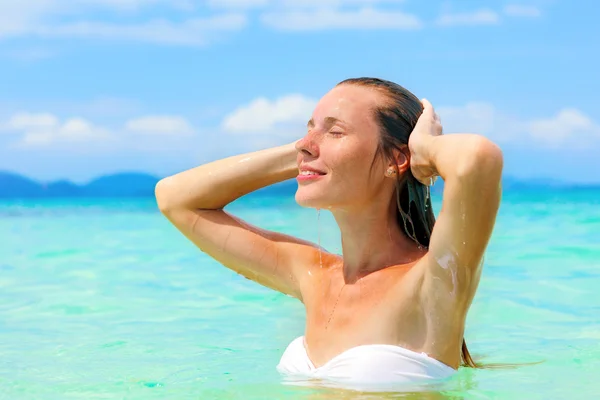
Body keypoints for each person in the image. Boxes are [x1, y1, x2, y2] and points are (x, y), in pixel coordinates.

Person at [154, 77, 503, 389]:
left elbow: (477, 158)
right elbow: (175, 198)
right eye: (308, 130)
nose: (305, 143)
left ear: (398, 159)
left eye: (335, 132)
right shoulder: (313, 275)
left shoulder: (433, 281)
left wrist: (422, 148)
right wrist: (308, 154)